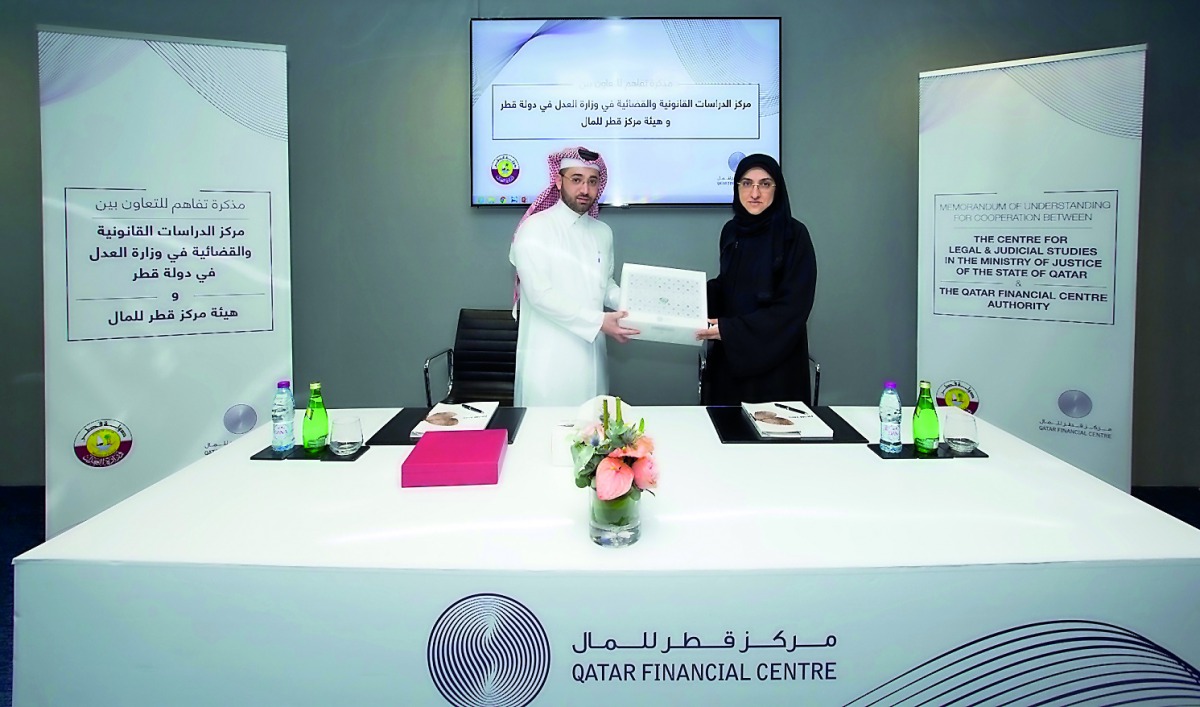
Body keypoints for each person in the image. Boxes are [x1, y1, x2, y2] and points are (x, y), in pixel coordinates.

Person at [509, 146, 639, 406]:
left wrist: (635, 304)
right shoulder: (535, 229)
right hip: (547, 364)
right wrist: (600, 322)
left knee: (593, 436)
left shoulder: (603, 232)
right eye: (576, 180)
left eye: (592, 182)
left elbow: (605, 287)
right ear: (558, 181)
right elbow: (539, 295)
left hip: (593, 360)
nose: (585, 190)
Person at [695, 153, 818, 406]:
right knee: (726, 435)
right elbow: (729, 285)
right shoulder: (731, 231)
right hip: (731, 364)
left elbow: (793, 308)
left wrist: (730, 330)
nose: (755, 192)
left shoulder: (794, 235)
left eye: (764, 183)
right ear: (736, 187)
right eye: (746, 183)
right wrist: (691, 296)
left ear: (777, 189)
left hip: (777, 367)